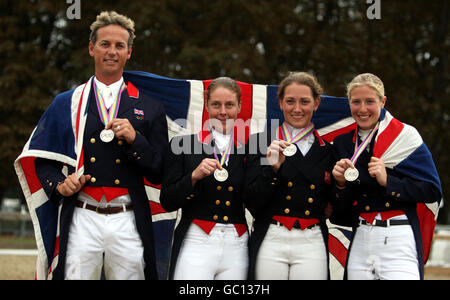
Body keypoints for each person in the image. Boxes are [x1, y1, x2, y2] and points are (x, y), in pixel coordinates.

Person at [16, 11, 168, 279]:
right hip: (81, 217)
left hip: (128, 219)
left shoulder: (150, 107)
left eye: (119, 45)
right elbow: (43, 161)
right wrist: (60, 185)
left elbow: (159, 170)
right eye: (105, 44)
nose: (112, 51)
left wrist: (136, 140)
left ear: (129, 52)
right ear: (91, 48)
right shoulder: (66, 102)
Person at [332, 73, 442, 280]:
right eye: (356, 102)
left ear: (383, 102)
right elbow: (340, 212)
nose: (362, 109)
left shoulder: (405, 136)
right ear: (349, 103)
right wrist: (339, 185)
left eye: (370, 102)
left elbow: (431, 190)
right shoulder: (343, 143)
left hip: (399, 238)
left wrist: (388, 181)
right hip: (361, 237)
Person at [245, 72, 335, 280]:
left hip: (311, 239)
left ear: (317, 103)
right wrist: (271, 169)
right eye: (290, 101)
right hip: (271, 235)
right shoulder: (260, 142)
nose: (297, 109)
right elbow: (251, 199)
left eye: (304, 101)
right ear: (280, 102)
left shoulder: (328, 150)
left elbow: (335, 206)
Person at [160, 77, 249, 280]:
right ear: (207, 105)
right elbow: (167, 201)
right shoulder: (182, 144)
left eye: (229, 105)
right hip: (196, 239)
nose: (223, 112)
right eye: (216, 104)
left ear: (239, 106)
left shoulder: (250, 150)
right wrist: (193, 177)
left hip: (238, 242)